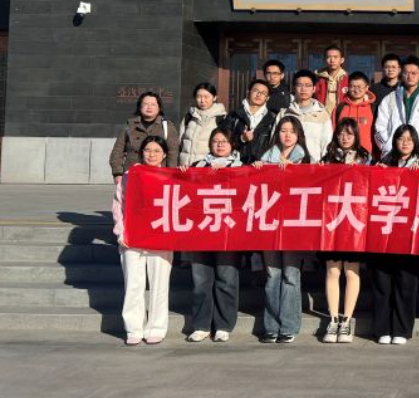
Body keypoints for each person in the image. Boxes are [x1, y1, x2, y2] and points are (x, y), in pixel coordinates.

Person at [254, 116, 311, 343]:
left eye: (292, 131)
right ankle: (271, 326)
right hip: (269, 223)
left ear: (299, 135)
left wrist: (294, 171)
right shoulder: (266, 158)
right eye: (283, 130)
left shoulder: (305, 160)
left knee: (290, 275)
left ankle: (288, 326)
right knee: (272, 274)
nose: (287, 135)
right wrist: (257, 169)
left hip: (293, 225)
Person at [183, 128, 242, 343]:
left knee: (226, 279)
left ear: (232, 145)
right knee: (201, 280)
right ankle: (201, 324)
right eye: (216, 141)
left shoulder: (241, 168)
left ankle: (224, 325)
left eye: (224, 141)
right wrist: (183, 173)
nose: (220, 145)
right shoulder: (198, 166)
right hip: (201, 231)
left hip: (228, 231)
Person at [113, 135, 174, 345]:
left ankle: (156, 327)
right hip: (133, 237)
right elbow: (119, 204)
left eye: (157, 151)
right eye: (148, 150)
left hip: (160, 237)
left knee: (159, 285)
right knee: (133, 285)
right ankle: (134, 328)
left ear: (164, 155)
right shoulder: (130, 175)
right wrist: (121, 231)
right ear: (141, 153)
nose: (152, 154)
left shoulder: (170, 176)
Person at [371, 125, 419, 344]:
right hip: (385, 229)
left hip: (409, 230)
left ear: (415, 143)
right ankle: (382, 328)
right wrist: (377, 171)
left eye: (409, 139)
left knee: (406, 282)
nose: (405, 143)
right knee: (382, 280)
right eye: (401, 139)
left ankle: (402, 330)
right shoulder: (385, 162)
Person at [320, 117, 373, 344]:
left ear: (356, 136)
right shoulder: (327, 158)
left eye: (349, 134)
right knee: (333, 271)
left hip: (354, 221)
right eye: (341, 133)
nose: (344, 138)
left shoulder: (365, 158)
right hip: (332, 220)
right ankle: (333, 319)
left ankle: (346, 320)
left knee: (351, 271)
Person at [374, 56, 419, 166]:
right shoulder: (390, 99)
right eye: (406, 73)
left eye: (414, 73)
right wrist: (390, 147)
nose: (409, 76)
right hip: (392, 157)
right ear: (401, 73)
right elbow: (379, 127)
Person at [110, 91, 180, 180]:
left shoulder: (167, 126)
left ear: (159, 108)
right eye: (146, 104)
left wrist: (170, 175)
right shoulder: (129, 125)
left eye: (153, 104)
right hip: (132, 176)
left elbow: (173, 153)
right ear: (140, 107)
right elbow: (117, 152)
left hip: (159, 177)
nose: (149, 107)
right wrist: (118, 174)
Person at [277, 69, 333, 164]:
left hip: (314, 166)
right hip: (288, 165)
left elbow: (327, 142)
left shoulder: (322, 114)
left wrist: (324, 162)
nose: (303, 89)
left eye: (307, 85)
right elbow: (275, 140)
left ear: (314, 89)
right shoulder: (285, 113)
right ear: (294, 88)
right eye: (299, 85)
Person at [224, 79, 276, 165]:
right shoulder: (234, 115)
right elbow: (224, 138)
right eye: (255, 91)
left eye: (263, 93)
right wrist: (242, 138)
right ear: (248, 92)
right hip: (237, 165)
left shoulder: (272, 118)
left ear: (267, 98)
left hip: (261, 166)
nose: (258, 94)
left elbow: (275, 144)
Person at [177, 82, 227, 167]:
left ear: (214, 97)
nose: (202, 100)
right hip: (185, 169)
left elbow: (225, 147)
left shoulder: (221, 118)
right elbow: (180, 143)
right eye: (199, 96)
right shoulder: (189, 116)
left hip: (207, 169)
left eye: (206, 97)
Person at [334, 71, 377, 156]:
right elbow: (334, 132)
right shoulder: (339, 108)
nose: (356, 90)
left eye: (359, 87)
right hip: (343, 156)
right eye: (353, 86)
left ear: (367, 88)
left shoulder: (374, 108)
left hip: (367, 156)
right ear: (348, 87)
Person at [315, 44, 349, 115]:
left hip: (342, 116)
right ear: (324, 60)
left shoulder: (348, 80)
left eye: (335, 57)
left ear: (342, 60)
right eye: (328, 57)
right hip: (322, 116)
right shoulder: (318, 79)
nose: (332, 60)